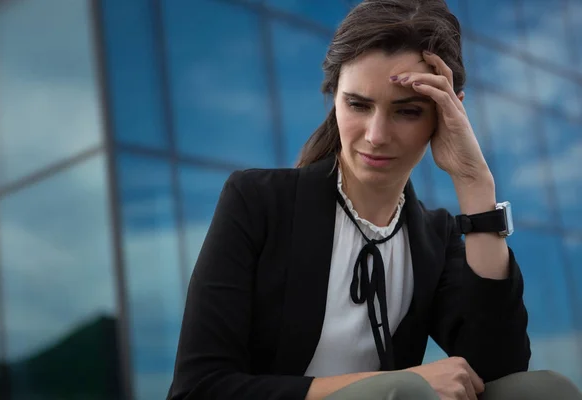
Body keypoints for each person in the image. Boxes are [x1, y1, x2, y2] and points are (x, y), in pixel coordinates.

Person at [166, 0, 582, 399]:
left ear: (447, 113)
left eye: (408, 111)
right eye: (358, 105)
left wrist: (474, 185)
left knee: (544, 390)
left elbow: (498, 372)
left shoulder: (432, 237)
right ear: (334, 98)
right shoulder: (258, 201)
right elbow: (200, 387)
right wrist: (390, 386)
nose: (376, 135)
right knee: (403, 391)